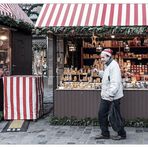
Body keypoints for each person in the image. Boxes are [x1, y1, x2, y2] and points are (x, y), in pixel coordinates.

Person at [94, 49, 126, 140]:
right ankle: (106, 134)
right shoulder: (108, 65)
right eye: (101, 58)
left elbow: (115, 82)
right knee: (106, 114)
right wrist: (99, 72)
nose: (102, 59)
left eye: (103, 57)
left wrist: (110, 95)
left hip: (111, 96)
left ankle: (121, 134)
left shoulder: (113, 66)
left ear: (109, 56)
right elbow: (107, 76)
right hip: (108, 95)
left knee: (112, 115)